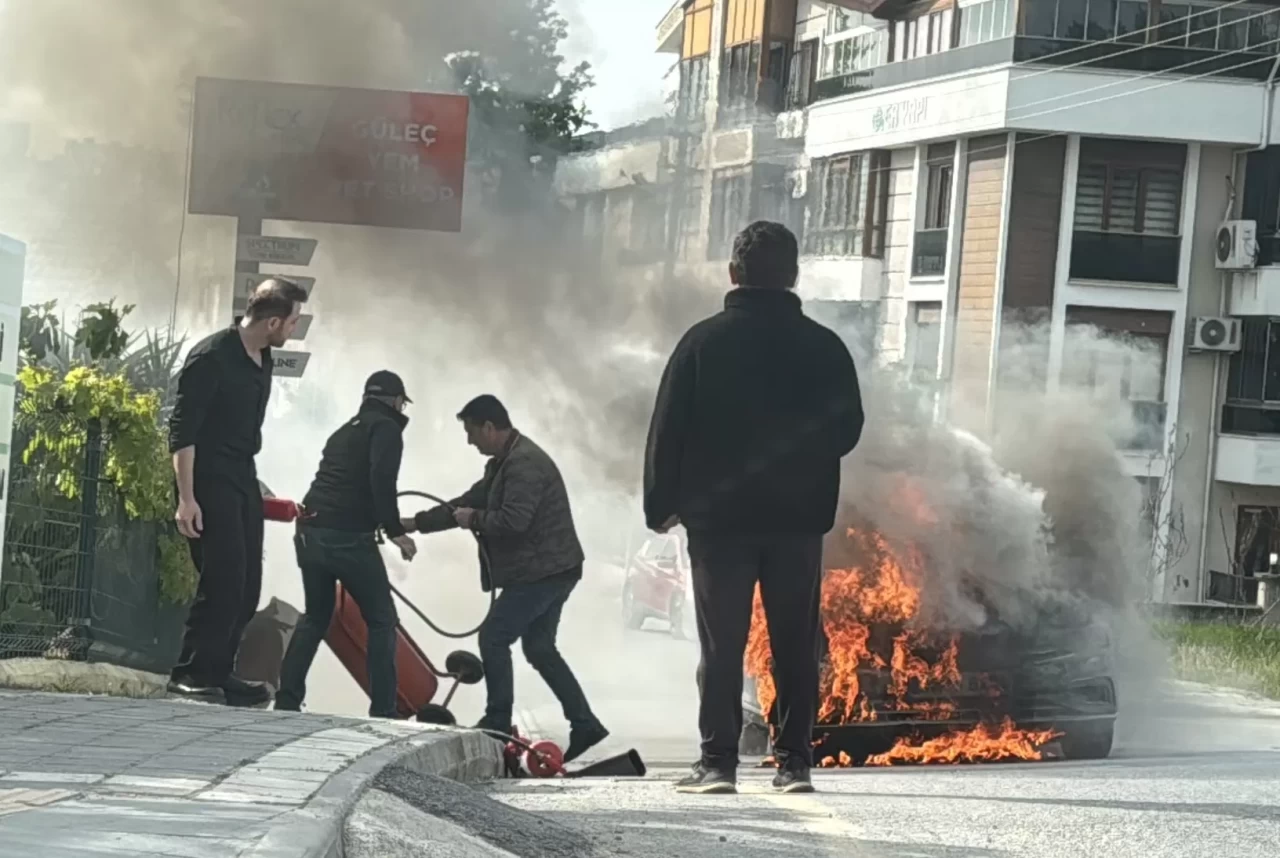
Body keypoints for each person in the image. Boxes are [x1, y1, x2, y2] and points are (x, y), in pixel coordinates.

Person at [644, 221, 864, 796]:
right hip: (797, 524)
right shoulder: (824, 346)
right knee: (794, 644)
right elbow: (847, 431)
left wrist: (661, 504)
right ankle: (794, 764)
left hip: (721, 525)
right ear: (793, 275)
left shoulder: (700, 343)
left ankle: (718, 763)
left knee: (723, 645)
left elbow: (668, 429)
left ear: (733, 273)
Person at [401, 395, 609, 762]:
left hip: (544, 571)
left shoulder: (524, 465)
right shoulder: (503, 462)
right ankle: (585, 723)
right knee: (539, 648)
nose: (469, 441)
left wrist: (474, 520)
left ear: (489, 427)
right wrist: (416, 524)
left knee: (494, 636)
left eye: (471, 432)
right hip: (550, 568)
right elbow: (466, 502)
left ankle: (497, 717)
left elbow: (513, 521)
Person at [168, 277, 310, 705]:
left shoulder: (262, 357)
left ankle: (220, 671)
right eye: (292, 321)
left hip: (243, 475)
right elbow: (183, 431)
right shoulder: (211, 357)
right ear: (271, 321)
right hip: (208, 476)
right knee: (222, 579)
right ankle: (191, 673)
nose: (294, 329)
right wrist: (187, 498)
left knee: (248, 584)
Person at [275, 371, 417, 718]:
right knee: (382, 620)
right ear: (395, 401)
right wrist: (396, 529)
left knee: (316, 617)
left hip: (309, 532)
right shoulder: (386, 429)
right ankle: (384, 712)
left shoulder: (344, 431)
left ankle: (287, 701)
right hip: (347, 539)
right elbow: (381, 479)